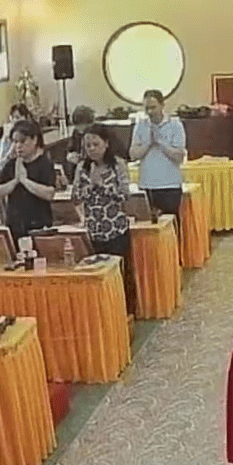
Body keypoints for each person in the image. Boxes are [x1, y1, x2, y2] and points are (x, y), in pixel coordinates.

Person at [73, 124, 136, 313]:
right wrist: (90, 186)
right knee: (99, 276)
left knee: (120, 273)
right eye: (88, 146)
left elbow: (125, 194)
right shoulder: (82, 168)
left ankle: (127, 312)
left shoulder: (117, 165)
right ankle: (106, 312)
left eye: (96, 144)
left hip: (116, 229)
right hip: (94, 230)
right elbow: (75, 196)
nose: (92, 149)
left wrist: (102, 185)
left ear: (106, 144)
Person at [0, 119, 55, 241]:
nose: (18, 146)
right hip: (15, 225)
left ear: (34, 140)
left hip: (39, 225)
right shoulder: (11, 165)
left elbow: (49, 193)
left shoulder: (44, 163)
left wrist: (25, 181)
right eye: (15, 142)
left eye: (22, 141)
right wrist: (15, 181)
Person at [130, 89, 187, 219]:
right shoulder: (140, 125)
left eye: (153, 107)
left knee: (170, 224)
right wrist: (148, 143)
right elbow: (133, 154)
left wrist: (160, 142)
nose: (150, 112)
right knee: (147, 223)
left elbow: (179, 156)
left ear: (162, 105)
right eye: (147, 108)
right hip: (146, 184)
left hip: (170, 185)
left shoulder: (175, 125)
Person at [63, 105, 97, 182]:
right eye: (77, 126)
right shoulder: (76, 132)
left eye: (81, 126)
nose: (80, 130)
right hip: (78, 167)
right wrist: (70, 155)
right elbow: (70, 148)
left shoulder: (97, 134)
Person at [0, 103, 35, 171]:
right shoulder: (7, 138)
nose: (15, 121)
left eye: (18, 117)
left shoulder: (32, 135)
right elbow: (1, 165)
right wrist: (10, 153)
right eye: (13, 118)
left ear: (25, 118)